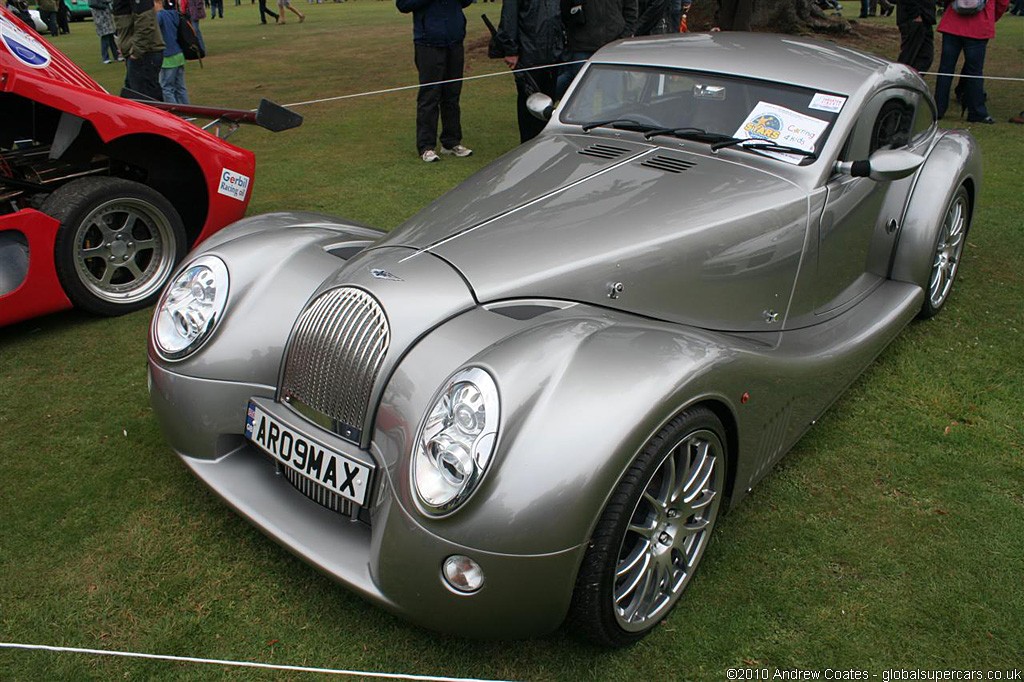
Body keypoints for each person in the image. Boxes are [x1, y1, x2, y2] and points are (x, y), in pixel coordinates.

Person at [396, 0, 474, 162]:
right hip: (428, 43)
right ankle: (426, 146)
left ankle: (451, 141)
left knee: (452, 94)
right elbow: (403, 5)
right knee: (429, 96)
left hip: (454, 40)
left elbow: (465, 2)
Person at [494, 0, 564, 143]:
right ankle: (528, 143)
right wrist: (510, 49)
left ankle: (544, 141)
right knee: (530, 104)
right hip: (529, 54)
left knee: (548, 101)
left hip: (552, 54)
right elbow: (509, 18)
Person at [933, 0, 1009, 124]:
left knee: (945, 70)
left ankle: (937, 109)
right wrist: (990, 16)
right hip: (979, 24)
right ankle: (976, 112)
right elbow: (1002, 3)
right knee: (974, 72)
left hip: (953, 23)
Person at [559, 0, 636, 91]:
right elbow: (564, 12)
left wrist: (622, 37)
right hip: (583, 47)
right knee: (584, 95)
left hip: (613, 47)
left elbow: (631, 11)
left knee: (611, 95)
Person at [113, 0, 166, 101]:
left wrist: (135, 53)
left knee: (144, 99)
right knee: (133, 97)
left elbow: (146, 24)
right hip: (137, 52)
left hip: (144, 53)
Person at [155, 0, 189, 102]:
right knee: (180, 87)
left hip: (168, 57)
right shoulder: (173, 14)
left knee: (166, 88)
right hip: (178, 54)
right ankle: (187, 112)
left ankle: (176, 113)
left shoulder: (158, 16)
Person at [896, 0, 936, 71]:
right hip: (914, 19)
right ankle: (899, 79)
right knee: (908, 57)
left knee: (925, 57)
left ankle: (910, 79)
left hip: (925, 19)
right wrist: (915, 14)